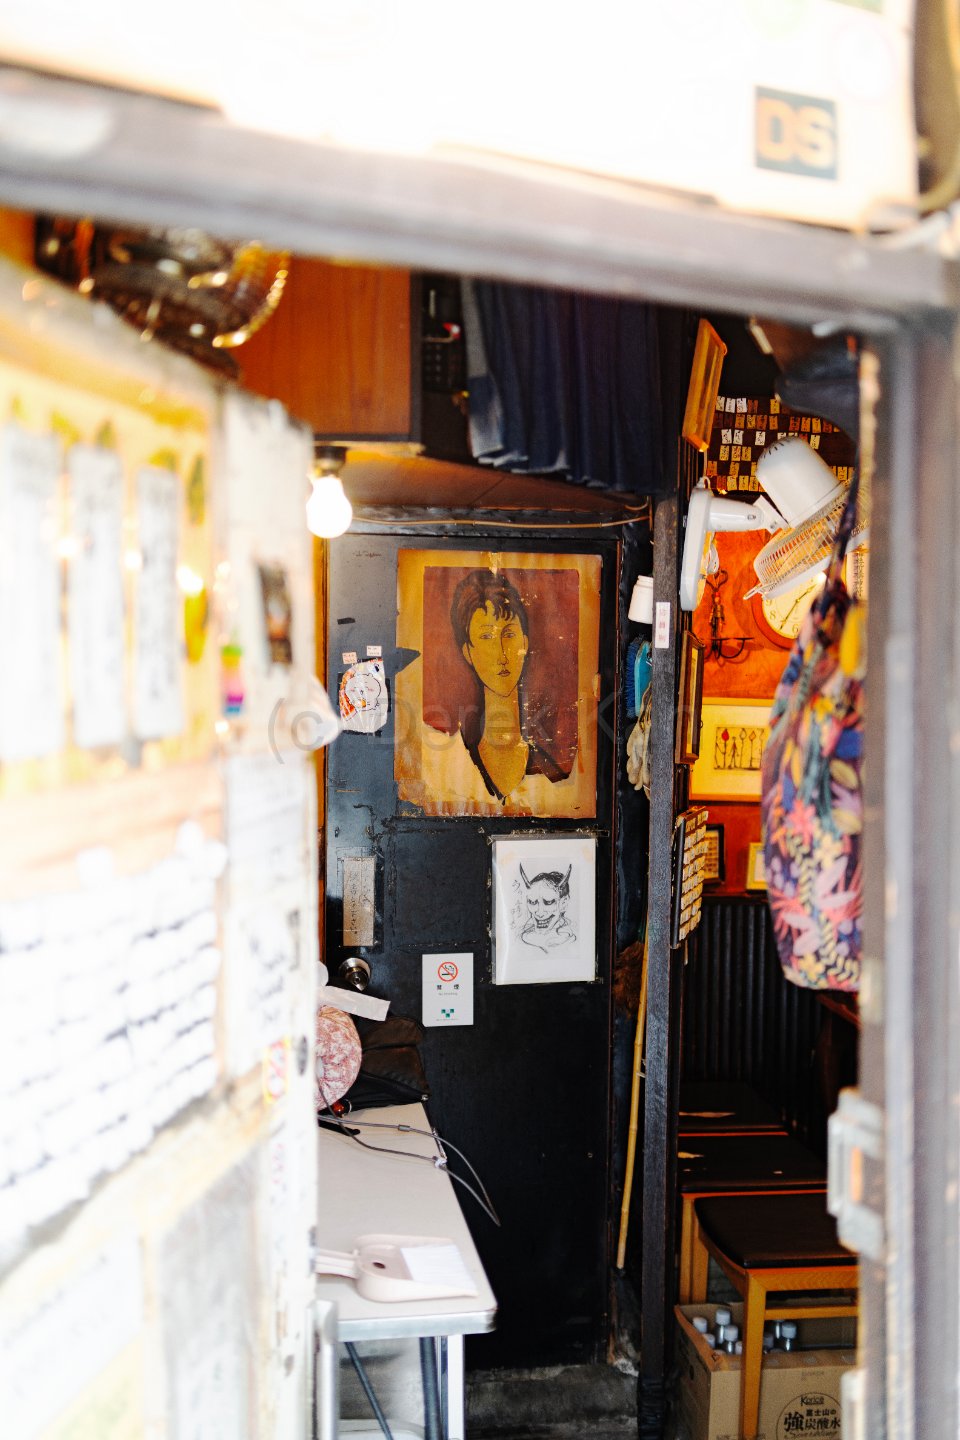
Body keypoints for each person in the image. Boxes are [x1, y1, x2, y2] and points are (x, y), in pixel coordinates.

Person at [450, 569, 564, 801]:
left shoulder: (549, 773)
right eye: (486, 637)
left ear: (525, 642)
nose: (502, 655)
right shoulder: (456, 768)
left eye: (509, 634)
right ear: (468, 652)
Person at [517, 865, 576, 952]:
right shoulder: (521, 939)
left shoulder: (572, 941)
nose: (539, 913)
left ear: (563, 903)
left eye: (548, 902)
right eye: (532, 902)